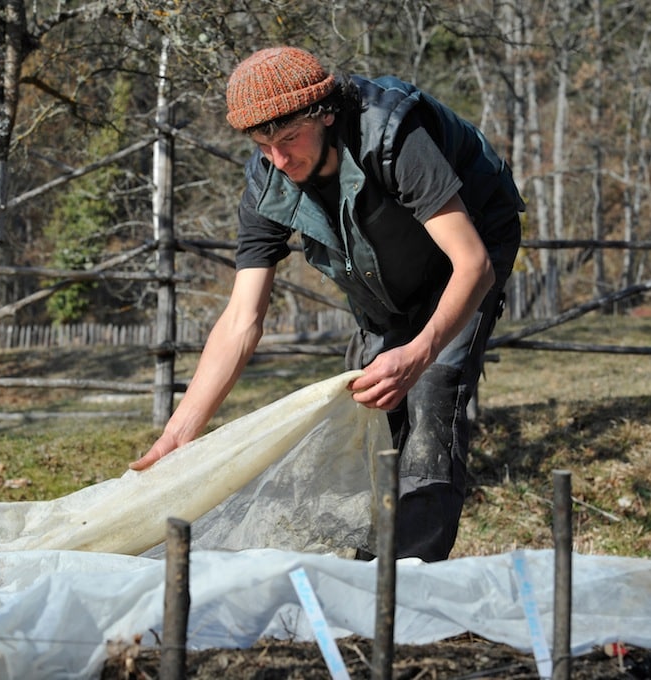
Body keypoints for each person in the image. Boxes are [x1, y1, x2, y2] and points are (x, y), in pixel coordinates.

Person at [131, 46, 523, 562]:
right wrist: (179, 433)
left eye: (289, 139)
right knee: (364, 404)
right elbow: (242, 320)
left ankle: (405, 581)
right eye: (262, 144)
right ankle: (367, 563)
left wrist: (421, 350)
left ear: (326, 114)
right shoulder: (268, 179)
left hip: (467, 248)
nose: (279, 158)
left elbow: (472, 263)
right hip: (382, 271)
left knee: (431, 390)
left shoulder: (394, 135)